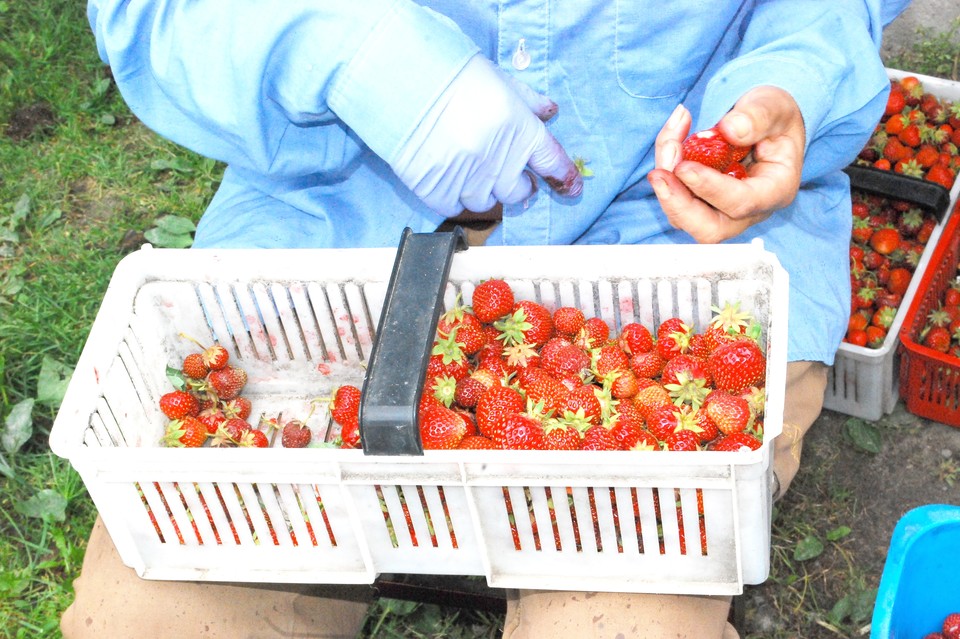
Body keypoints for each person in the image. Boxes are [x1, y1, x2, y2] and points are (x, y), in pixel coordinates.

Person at [62, 1, 912, 637]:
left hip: (670, 241)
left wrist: (788, 79)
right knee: (144, 616)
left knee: (626, 621)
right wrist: (352, 50)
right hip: (334, 233)